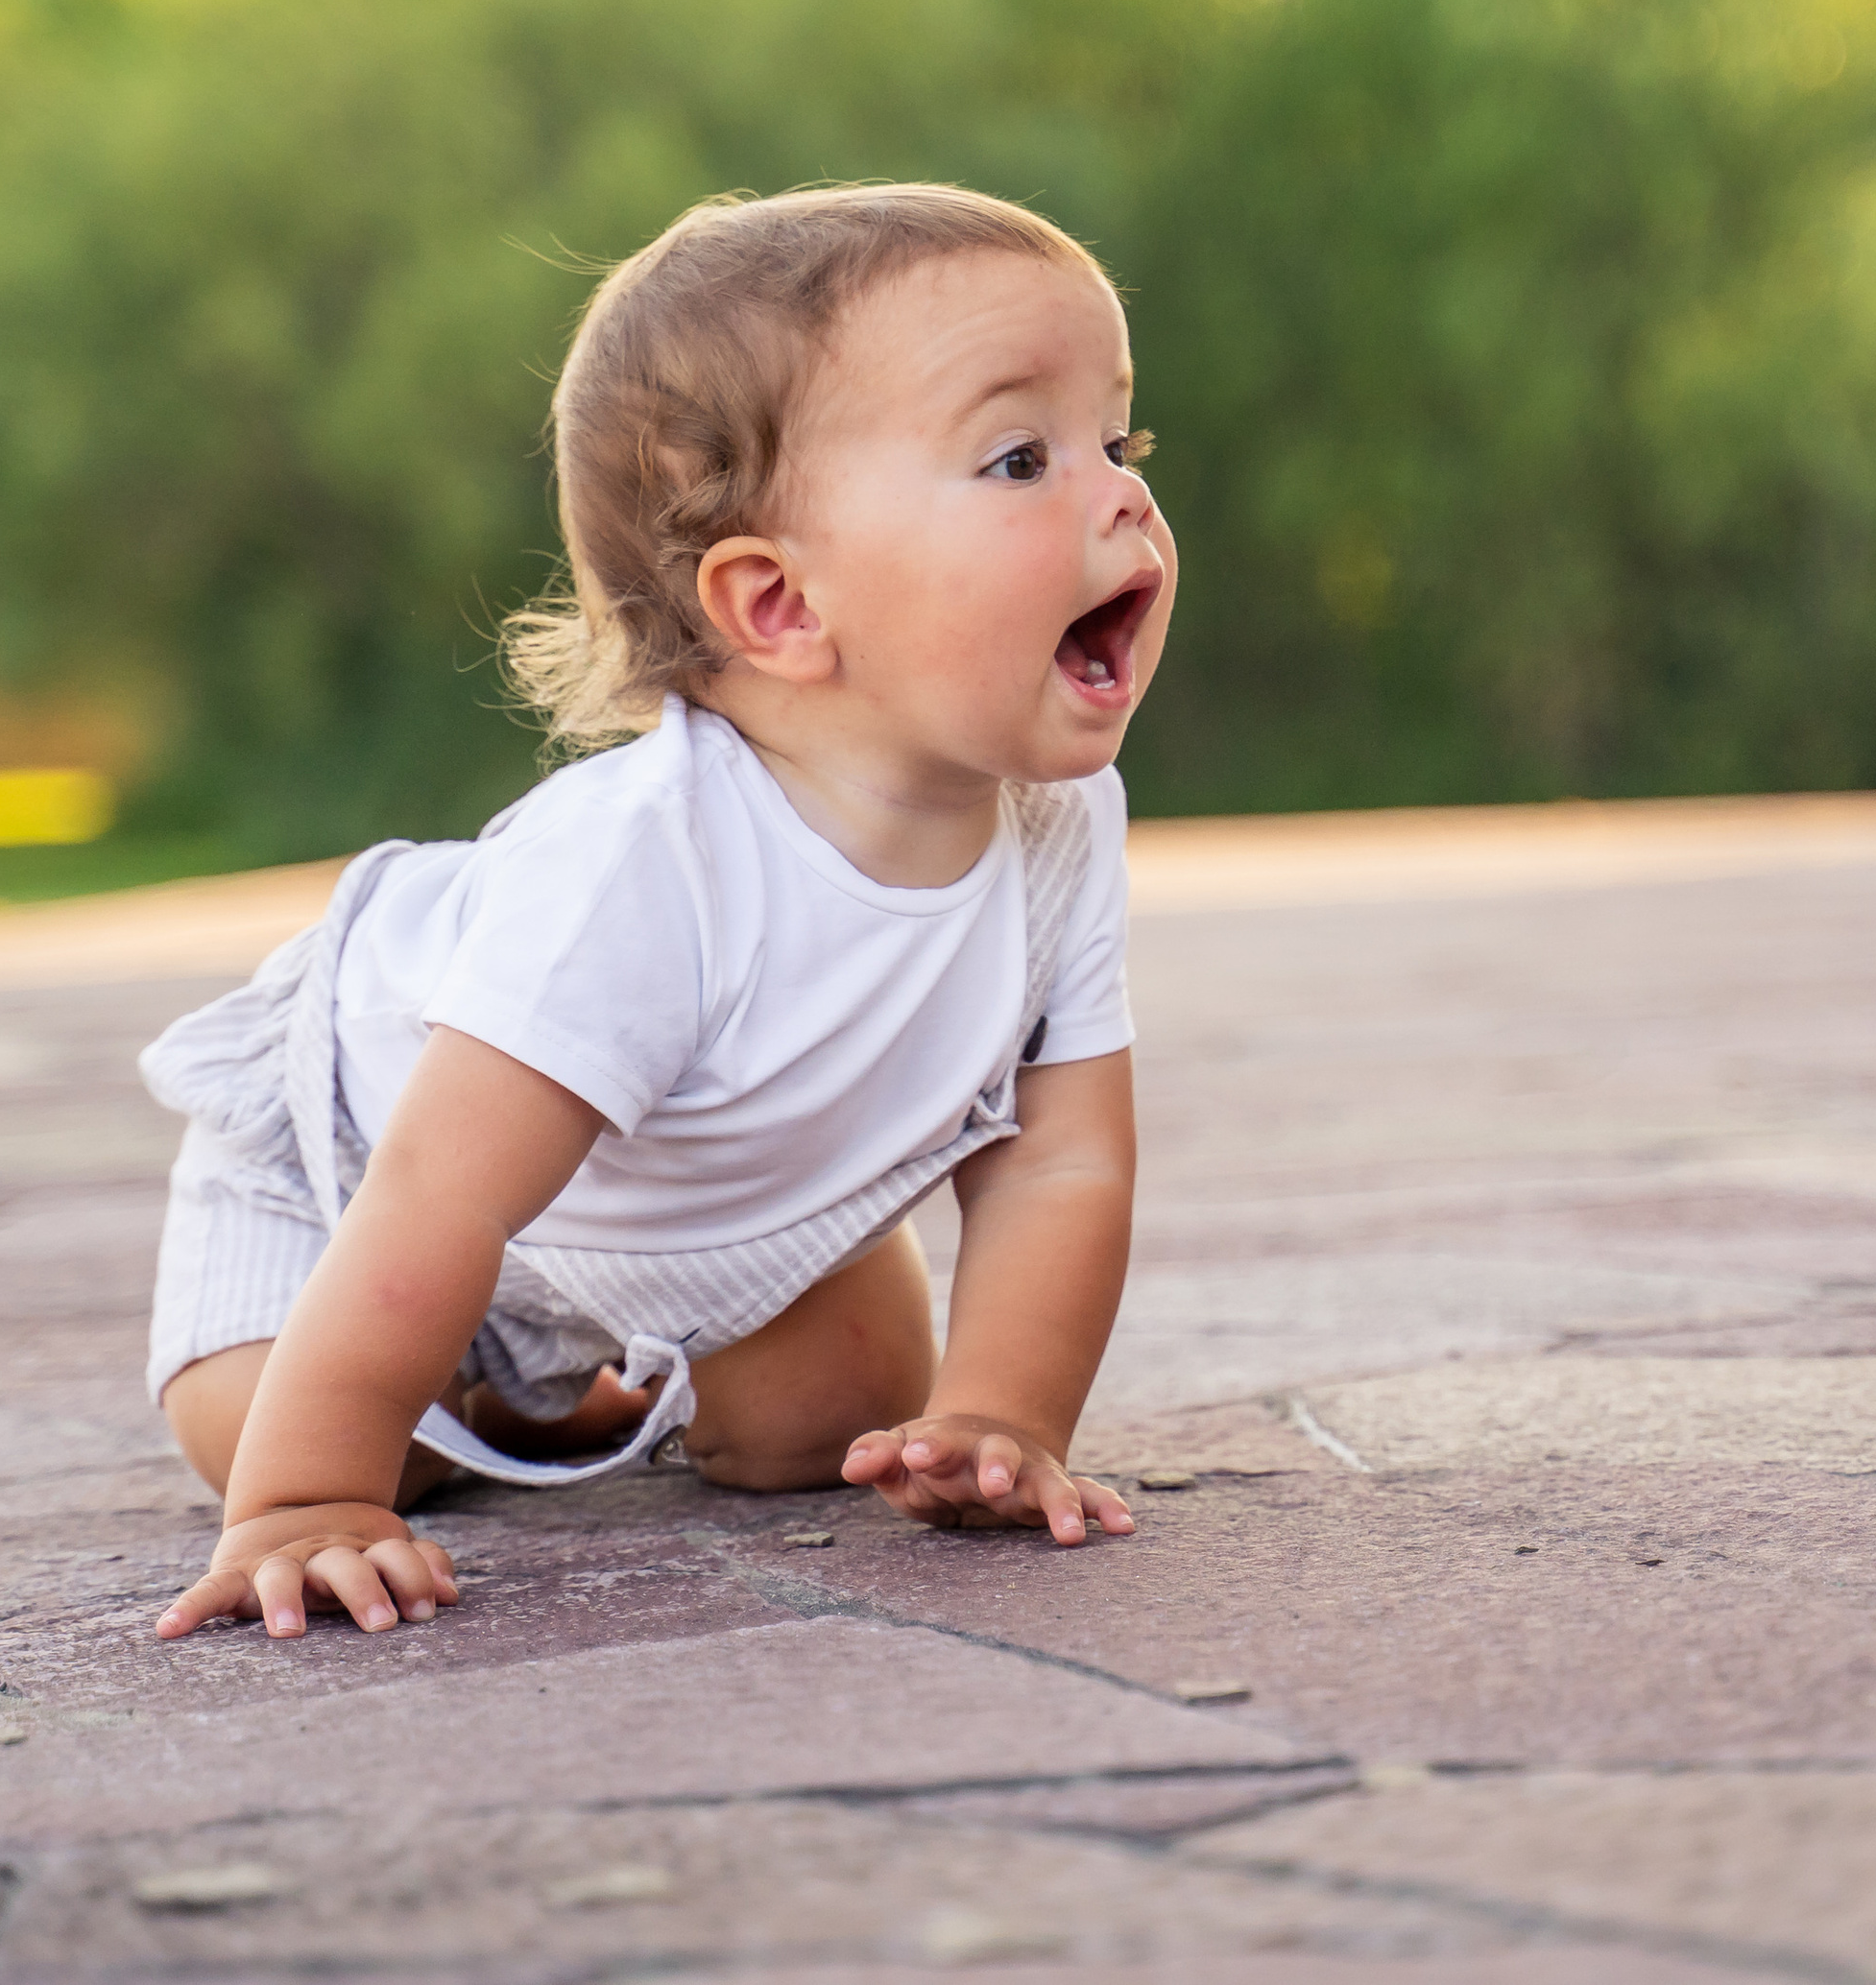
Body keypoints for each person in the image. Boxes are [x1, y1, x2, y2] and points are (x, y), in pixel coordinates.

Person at [143, 182, 1174, 1642]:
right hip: (354, 1168)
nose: (1125, 495)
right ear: (778, 608)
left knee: (852, 1410)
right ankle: (469, 1408)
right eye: (1022, 458)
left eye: (1118, 443)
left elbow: (1060, 1164)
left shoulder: (1061, 828)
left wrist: (1002, 1414)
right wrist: (303, 1498)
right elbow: (443, 1193)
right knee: (295, 1432)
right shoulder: (644, 867)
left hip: (662, 1211)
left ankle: (577, 1388)